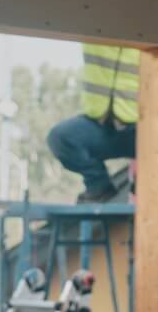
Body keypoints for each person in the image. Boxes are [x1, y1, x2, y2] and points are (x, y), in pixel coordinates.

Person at [47, 43, 140, 203]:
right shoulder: (95, 29)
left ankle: (148, 188)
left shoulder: (148, 31)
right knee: (60, 138)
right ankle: (99, 187)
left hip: (141, 127)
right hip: (101, 123)